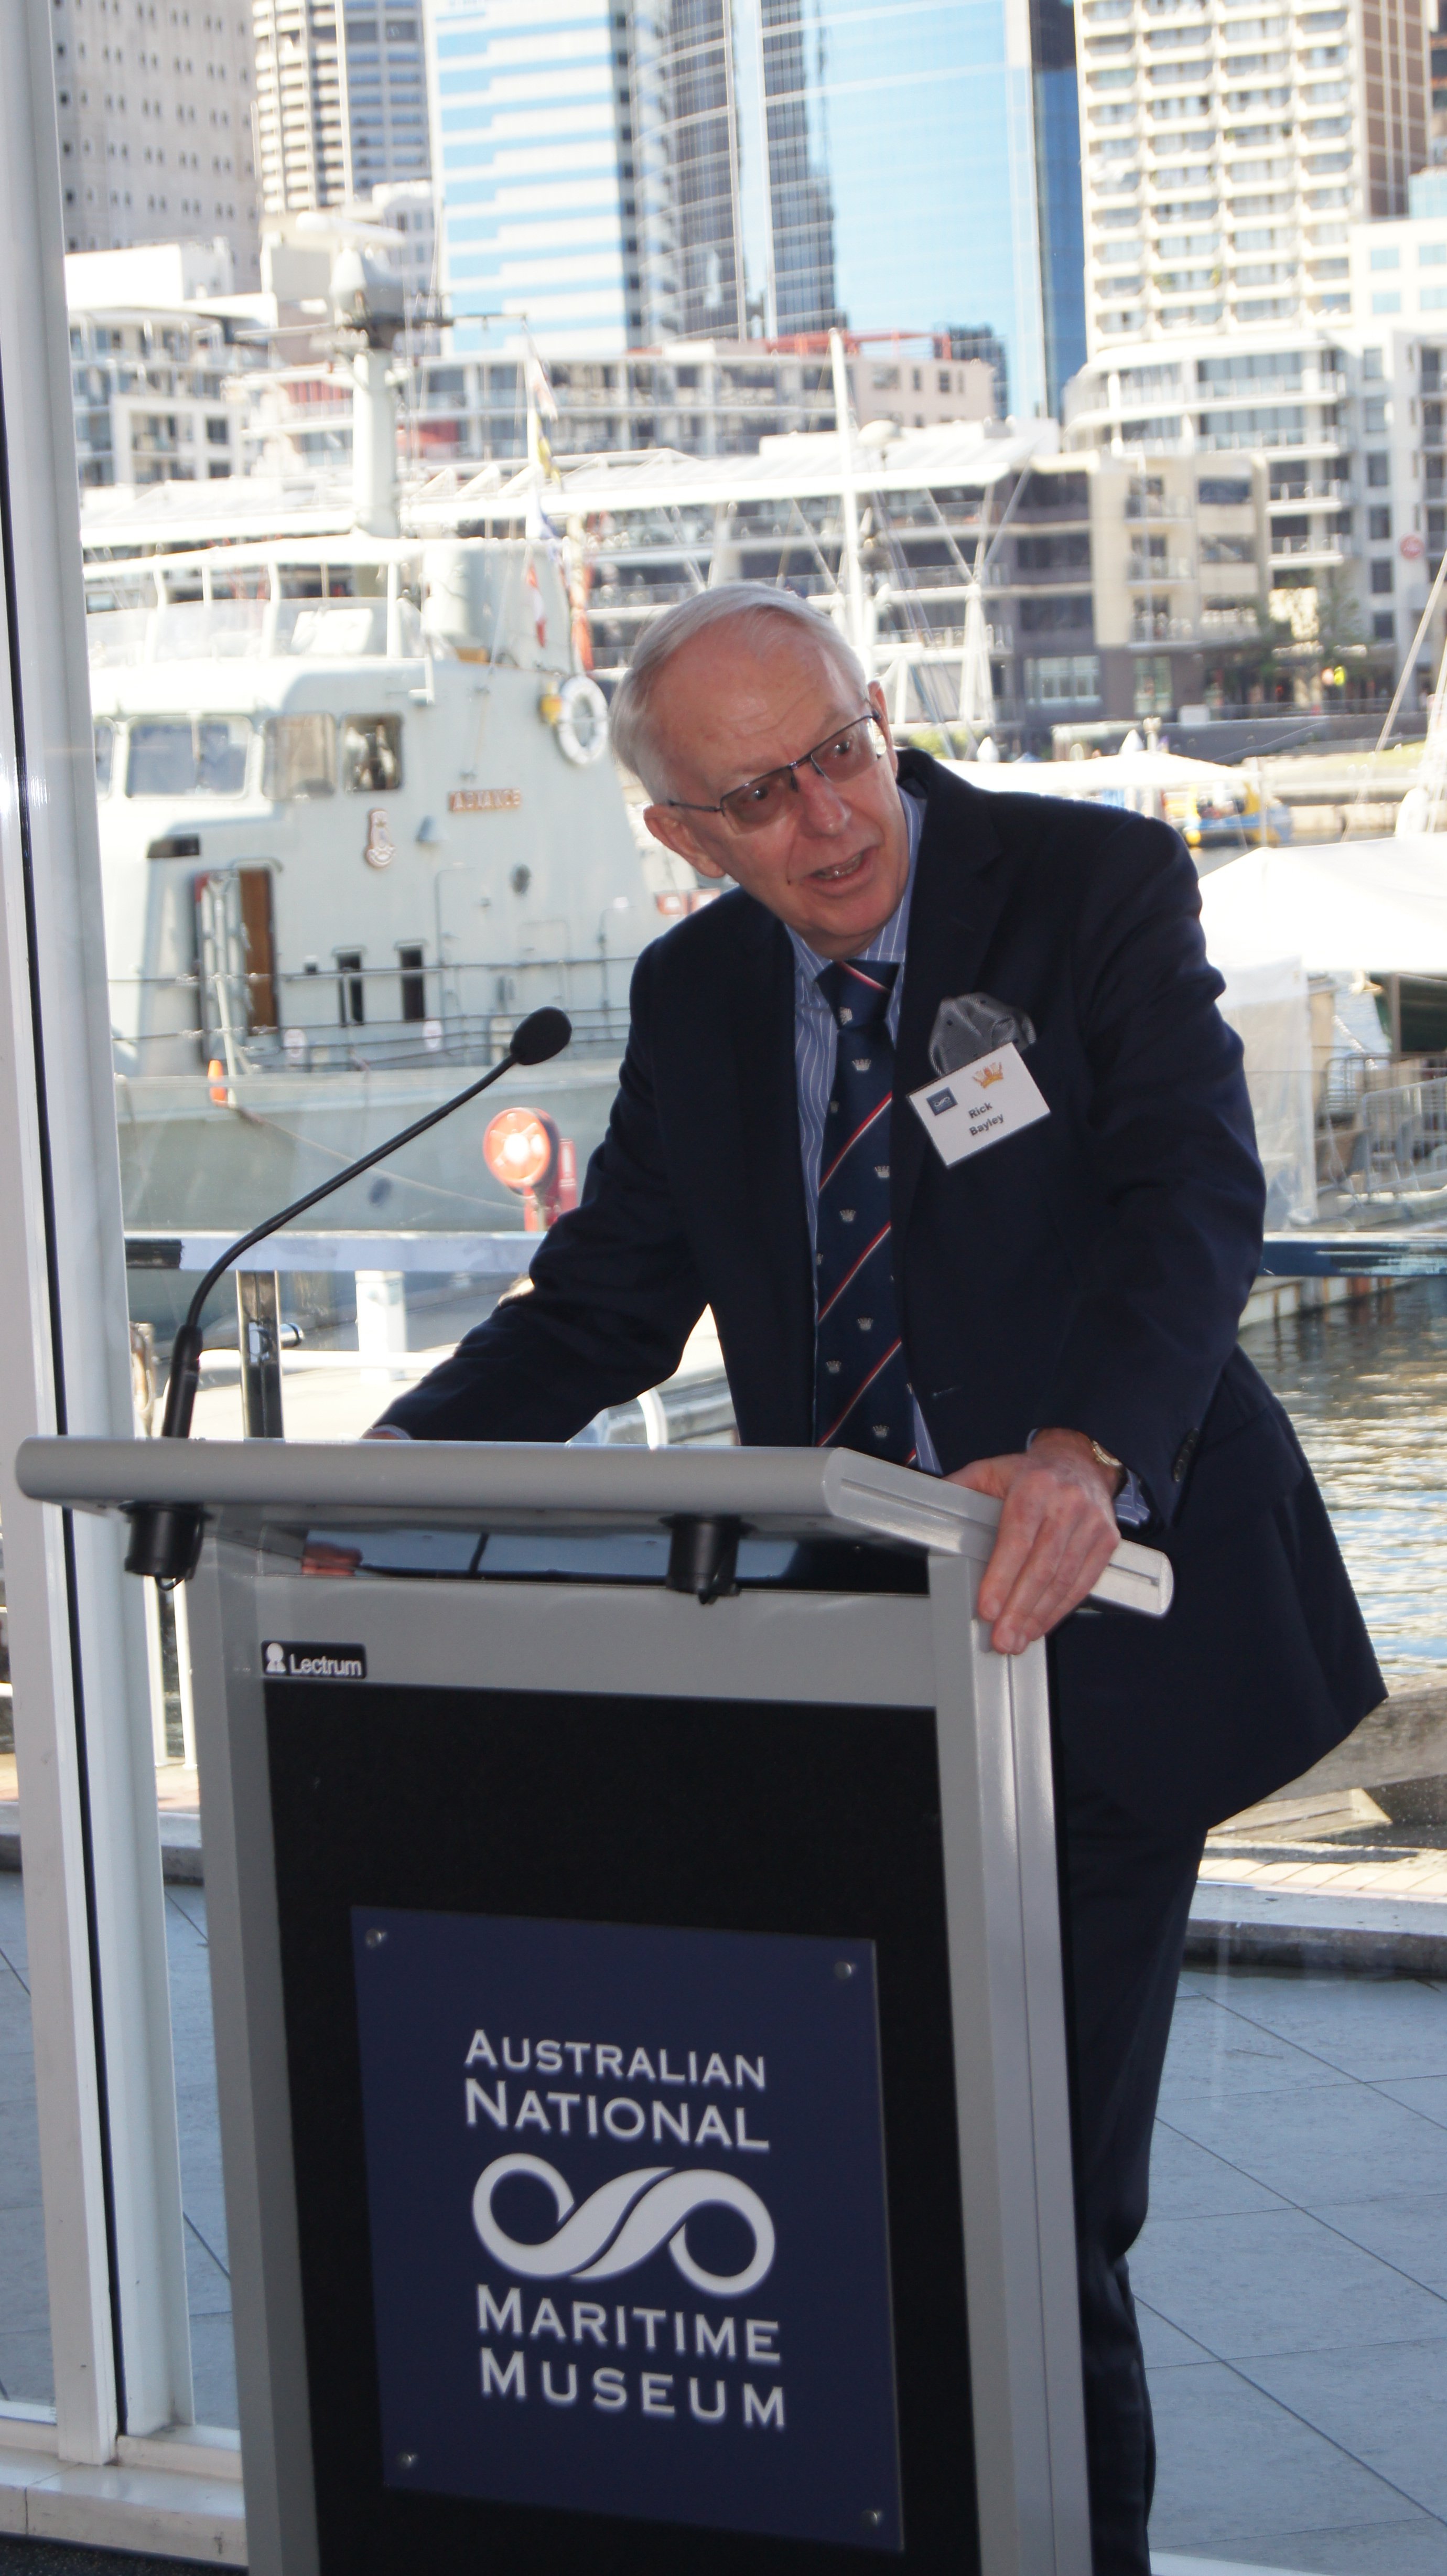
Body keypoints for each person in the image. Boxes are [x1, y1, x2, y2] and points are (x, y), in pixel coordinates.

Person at [368, 585, 1381, 2574]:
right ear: (681, 833)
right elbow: (607, 1307)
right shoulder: (698, 997)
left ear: (881, 713)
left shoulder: (1087, 888)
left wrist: (1089, 1454)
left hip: (1093, 1622)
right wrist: (374, 1481)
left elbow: (1189, 1194)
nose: (829, 818)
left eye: (842, 752)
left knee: (1035, 2199)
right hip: (848, 1674)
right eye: (758, 796)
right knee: (864, 2157)